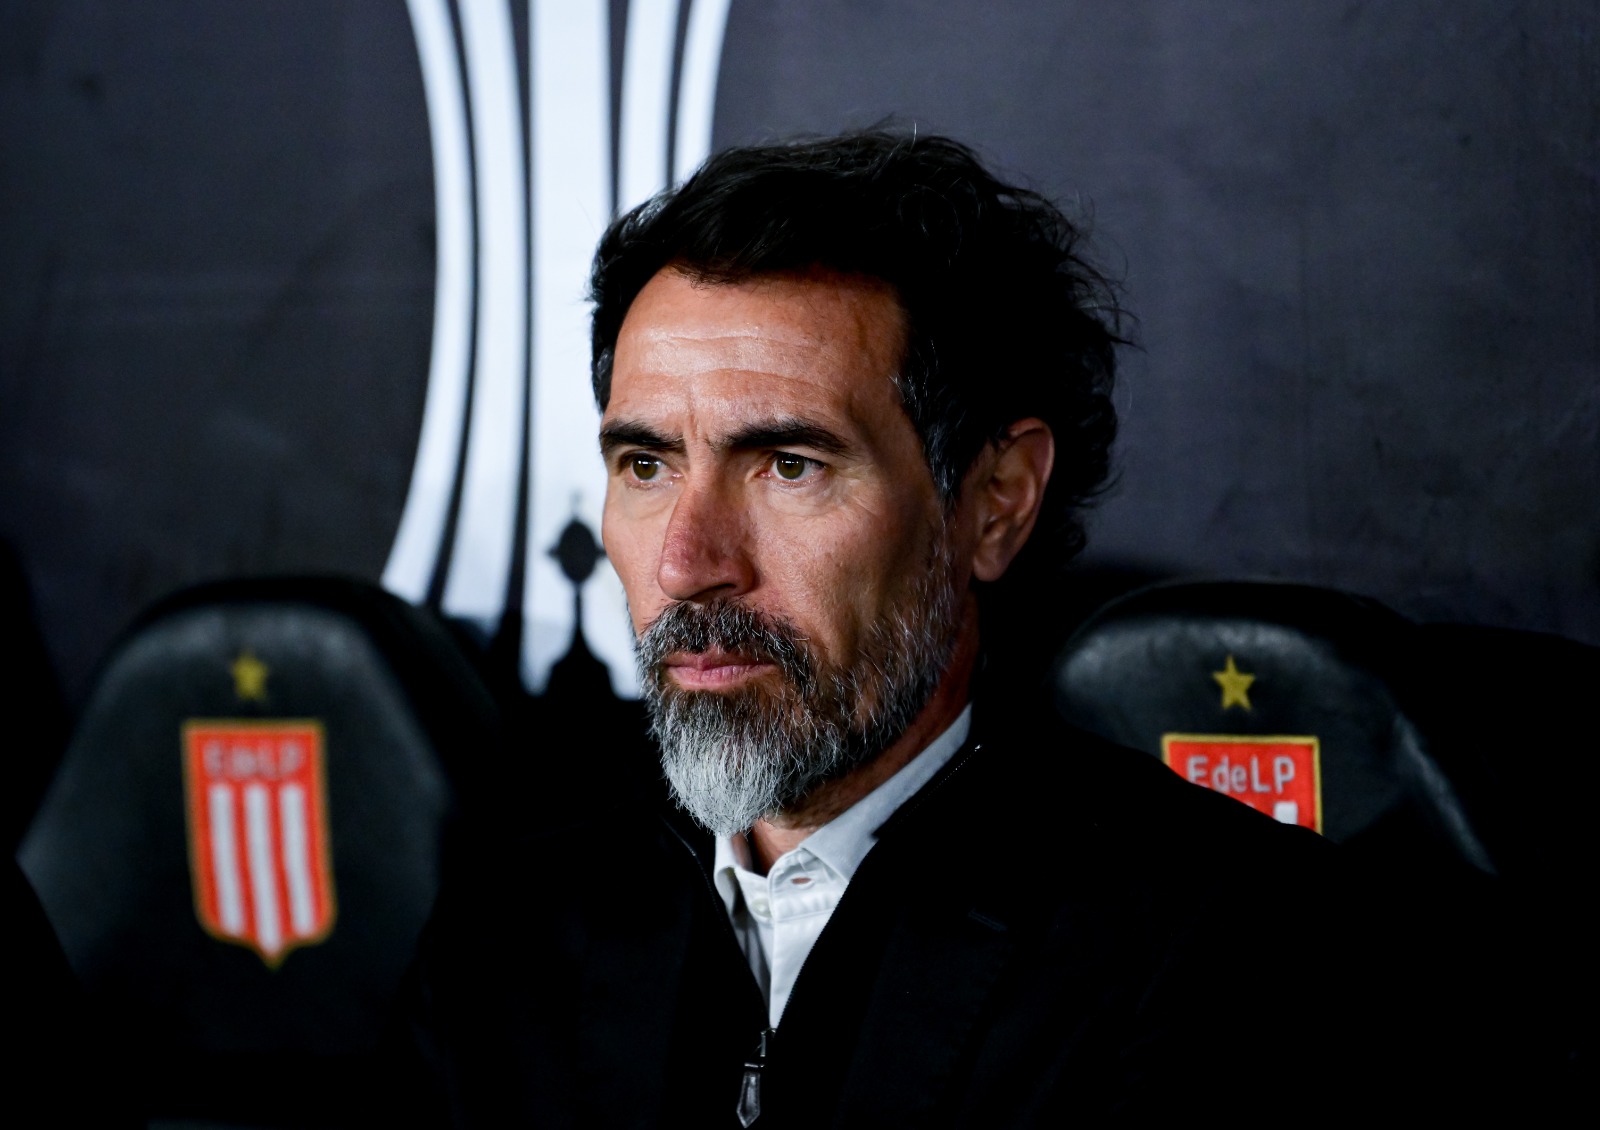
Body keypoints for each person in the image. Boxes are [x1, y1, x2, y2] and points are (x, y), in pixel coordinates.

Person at [402, 130, 1522, 1126]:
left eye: (789, 463)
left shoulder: (1222, 948)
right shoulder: (506, 933)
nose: (687, 561)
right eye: (645, 463)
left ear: (993, 501)